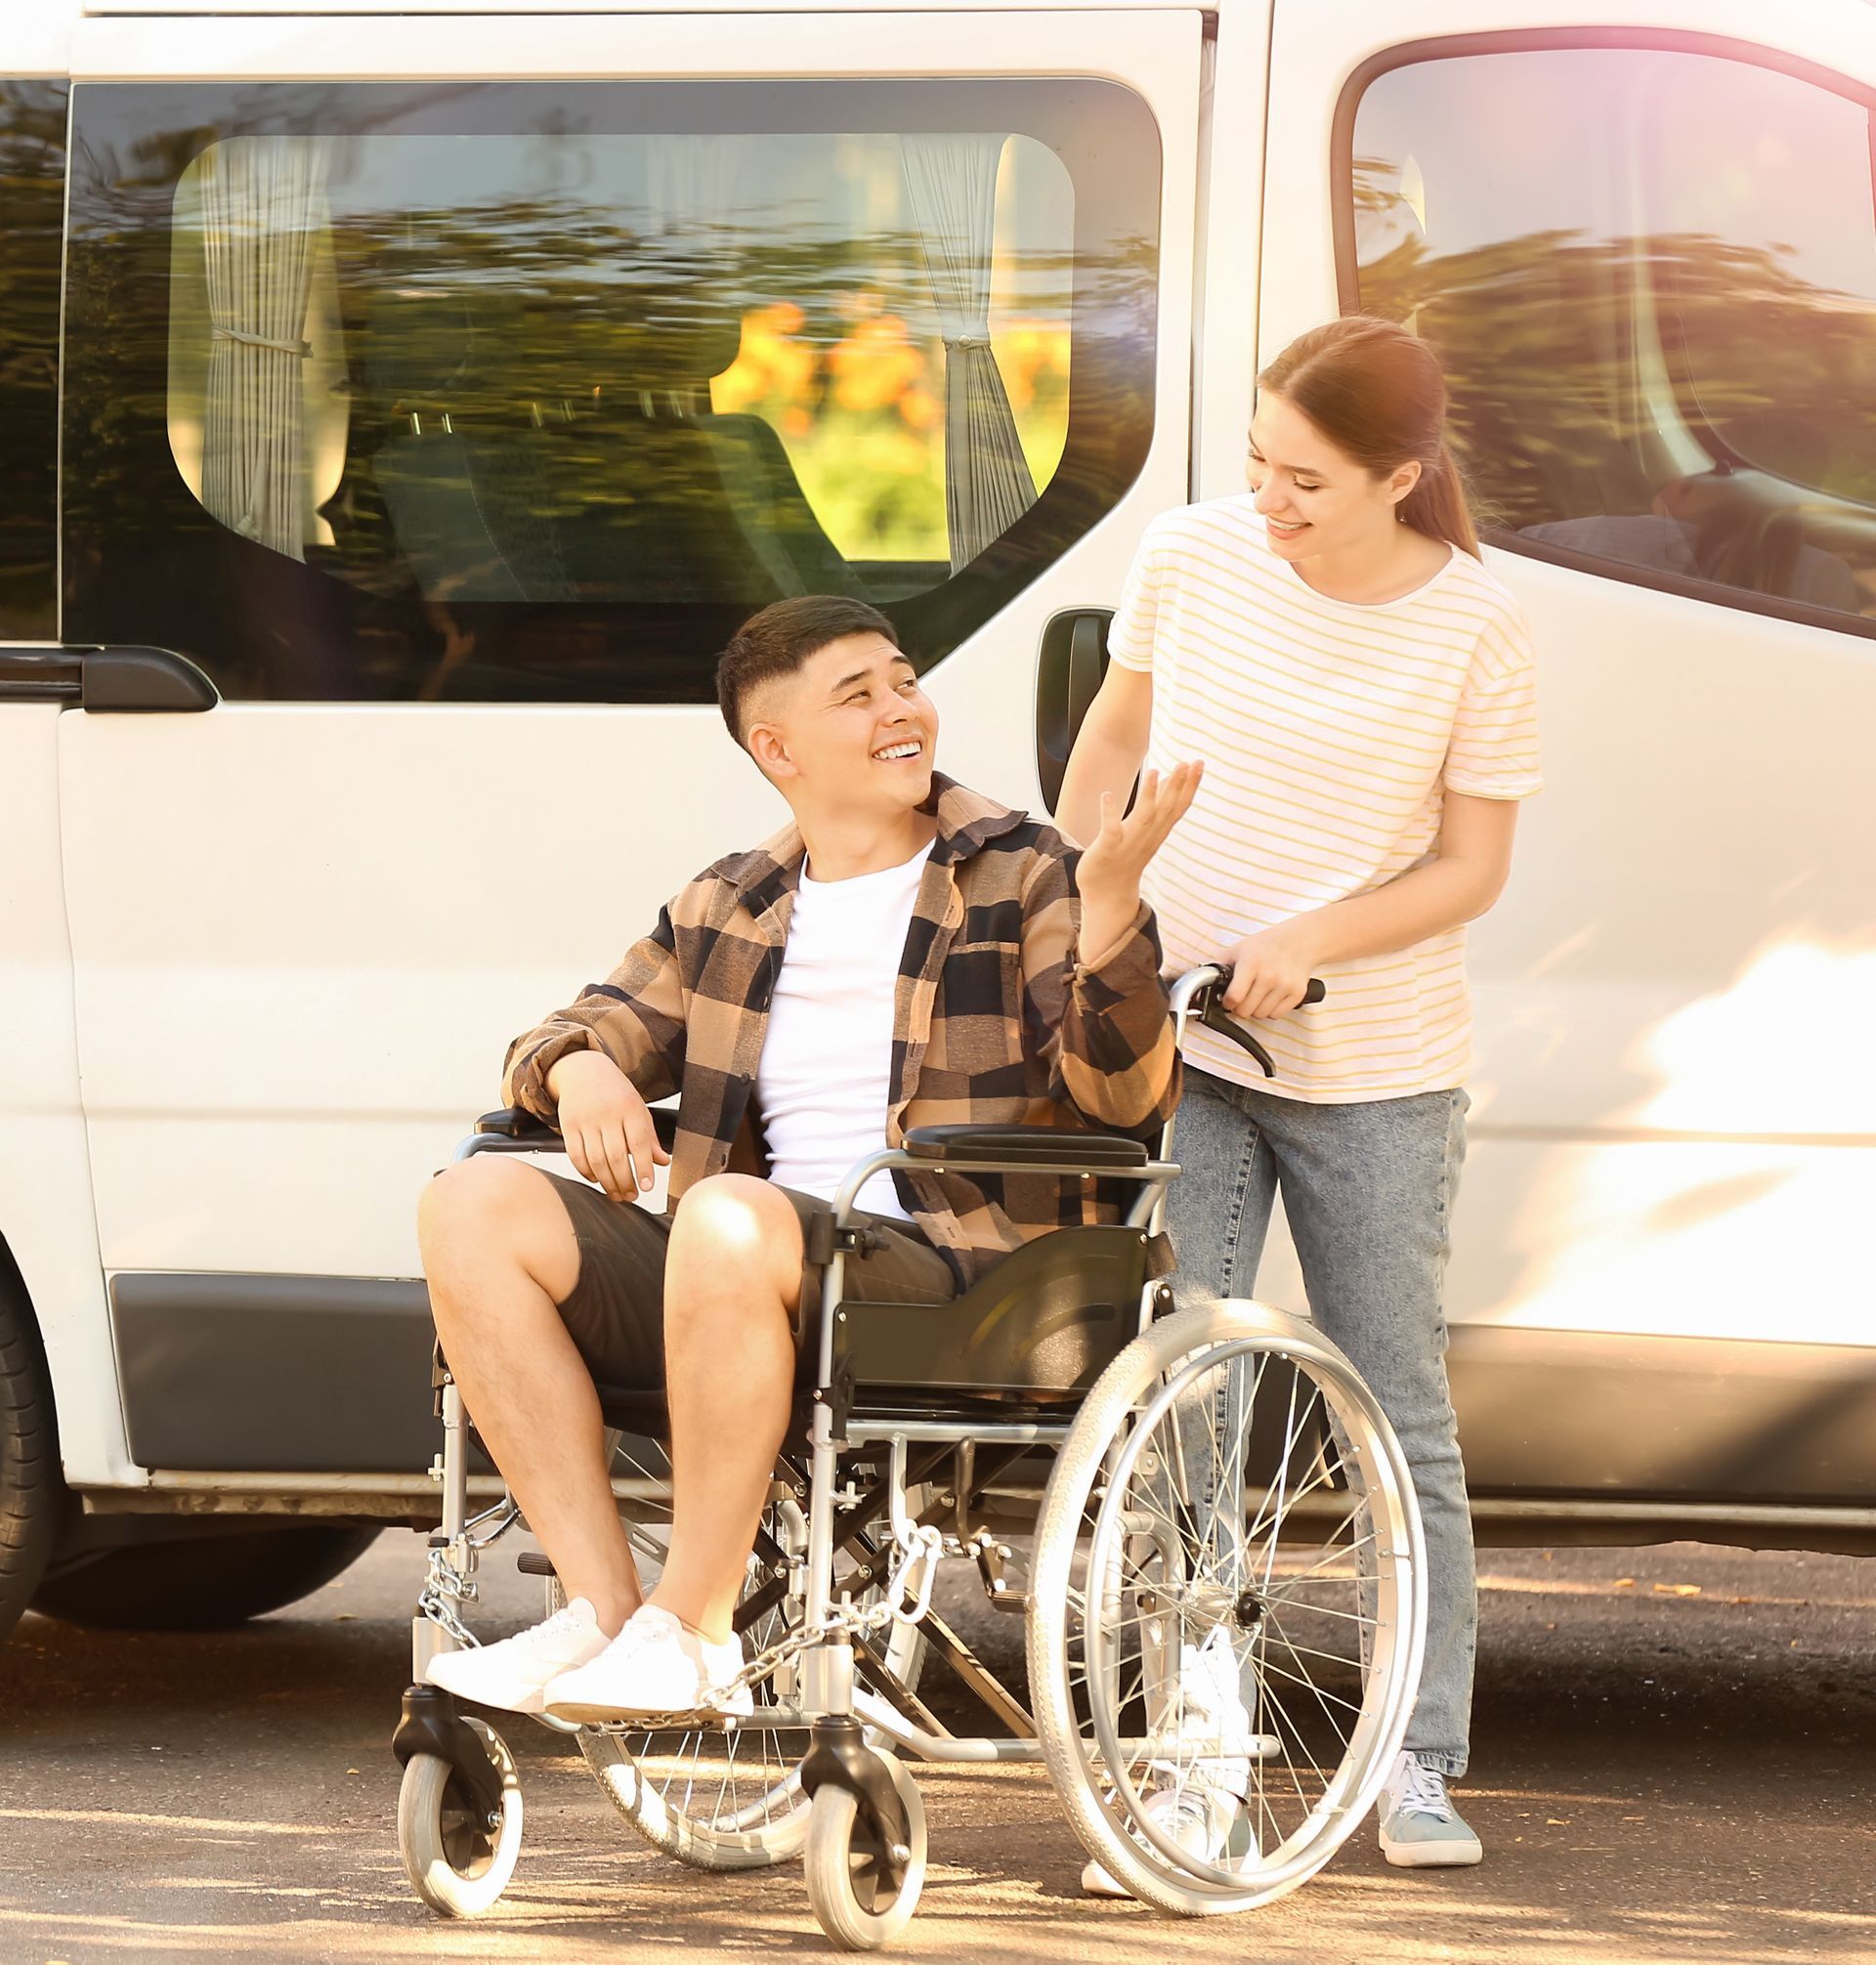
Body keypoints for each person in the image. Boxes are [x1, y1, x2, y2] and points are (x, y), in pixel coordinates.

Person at [416, 592, 1197, 1724]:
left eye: (904, 678)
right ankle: (600, 1608)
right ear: (775, 747)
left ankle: (693, 1626)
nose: (901, 708)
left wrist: (1114, 912)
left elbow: (1123, 1094)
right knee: (472, 1202)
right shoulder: (731, 902)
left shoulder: (1026, 869)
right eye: (859, 693)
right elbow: (568, 1029)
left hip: (963, 1268)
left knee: (727, 1211)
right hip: (751, 1262)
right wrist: (578, 1066)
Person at [1060, 316, 1542, 1875]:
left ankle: (1416, 1753)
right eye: (1260, 462)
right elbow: (1113, 741)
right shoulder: (1193, 555)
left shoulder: (1477, 629)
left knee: (1397, 1404)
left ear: (1403, 476)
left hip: (1380, 1069)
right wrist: (1098, 896)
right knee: (1176, 1398)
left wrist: (1310, 940)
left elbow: (1471, 866)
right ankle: (1195, 1747)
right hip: (1179, 1045)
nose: (1268, 499)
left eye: (1307, 481)